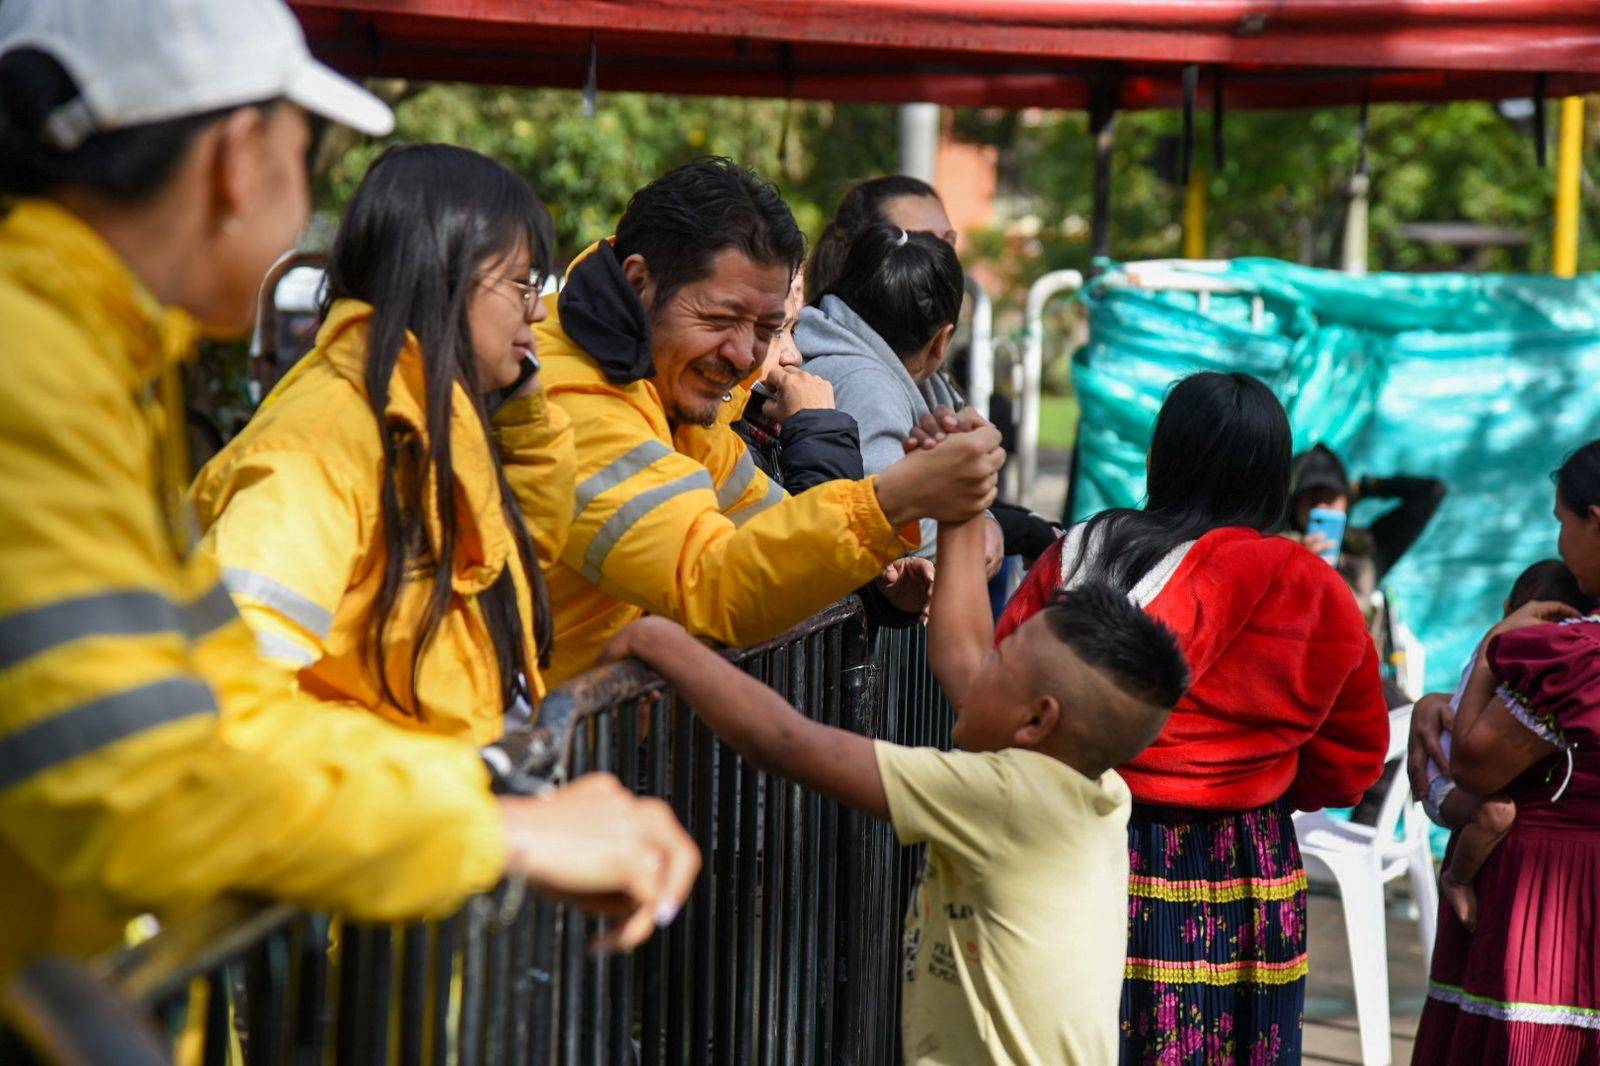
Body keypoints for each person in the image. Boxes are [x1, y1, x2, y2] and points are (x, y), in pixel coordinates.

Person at [0, 0, 696, 986]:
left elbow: (230, 705)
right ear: (237, 159)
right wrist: (498, 831)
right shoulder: (41, 369)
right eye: (306, 156)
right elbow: (139, 781)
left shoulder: (88, 359)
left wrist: (482, 792)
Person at [600, 506, 1190, 1065]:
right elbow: (960, 657)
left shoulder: (1006, 799)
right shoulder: (1095, 788)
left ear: (1037, 720)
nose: (981, 665)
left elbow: (784, 742)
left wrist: (661, 642)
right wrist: (960, 509)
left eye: (1000, 658)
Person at [987, 373, 1389, 1065]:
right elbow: (1352, 763)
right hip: (1252, 865)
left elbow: (1006, 686)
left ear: (1161, 458)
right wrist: (1268, 782)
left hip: (1093, 843)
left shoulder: (1086, 553)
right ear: (1275, 476)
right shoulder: (1315, 587)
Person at [533, 157, 1003, 685]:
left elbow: (768, 529)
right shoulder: (574, 399)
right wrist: (898, 497)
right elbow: (712, 585)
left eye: (766, 328)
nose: (743, 355)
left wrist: (879, 587)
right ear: (638, 282)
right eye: (720, 318)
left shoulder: (667, 395)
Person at [191, 143, 572, 744]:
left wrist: (523, 419)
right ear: (442, 270)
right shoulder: (325, 444)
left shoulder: (423, 409)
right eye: (523, 283)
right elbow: (228, 693)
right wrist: (423, 782)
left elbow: (512, 560)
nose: (538, 312)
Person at [1406, 440, 1600, 1065]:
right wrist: (1440, 700)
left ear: (1595, 521)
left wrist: (1496, 646)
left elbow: (1472, 762)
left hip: (1551, 899)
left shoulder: (1580, 658)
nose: (1561, 545)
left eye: (1562, 523)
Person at [731, 269, 934, 624]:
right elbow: (801, 571)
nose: (793, 355)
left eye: (792, 331)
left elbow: (820, 565)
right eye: (774, 332)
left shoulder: (765, 430)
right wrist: (818, 428)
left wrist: (882, 592)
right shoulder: (726, 444)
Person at [1418, 559, 1594, 930]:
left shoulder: (1539, 654)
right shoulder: (1506, 655)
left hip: (1463, 781)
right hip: (1446, 782)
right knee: (1497, 812)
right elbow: (1472, 764)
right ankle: (1457, 879)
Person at [1284, 442, 1446, 604]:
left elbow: (1431, 492)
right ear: (1295, 504)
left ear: (1347, 500)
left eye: (1330, 497)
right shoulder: (1280, 548)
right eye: (1312, 498)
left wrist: (1364, 487)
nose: (1321, 506)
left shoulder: (1370, 551)